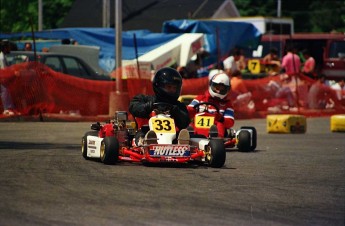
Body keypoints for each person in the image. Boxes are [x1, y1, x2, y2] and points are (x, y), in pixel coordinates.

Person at [129, 67, 190, 146]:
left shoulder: (178, 105)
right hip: (146, 131)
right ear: (159, 86)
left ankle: (181, 144)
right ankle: (147, 142)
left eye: (174, 88)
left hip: (172, 137)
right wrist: (147, 107)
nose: (172, 90)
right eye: (169, 87)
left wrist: (176, 111)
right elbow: (133, 107)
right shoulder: (144, 99)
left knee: (183, 133)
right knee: (142, 133)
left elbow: (185, 122)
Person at [187, 72, 234, 138]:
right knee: (190, 123)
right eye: (217, 88)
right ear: (211, 85)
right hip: (196, 127)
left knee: (220, 124)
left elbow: (230, 122)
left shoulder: (227, 104)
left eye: (222, 89)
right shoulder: (200, 98)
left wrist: (220, 118)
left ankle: (216, 137)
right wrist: (193, 110)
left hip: (215, 128)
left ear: (227, 89)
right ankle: (189, 135)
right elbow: (188, 110)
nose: (218, 91)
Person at [0, 40, 16, 115]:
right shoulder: (1, 58)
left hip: (3, 78)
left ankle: (7, 108)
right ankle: (6, 109)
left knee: (5, 92)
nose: (10, 49)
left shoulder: (3, 56)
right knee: (4, 91)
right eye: (8, 47)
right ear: (5, 48)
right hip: (2, 78)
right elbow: (4, 70)